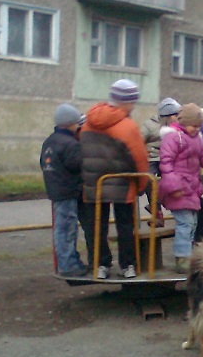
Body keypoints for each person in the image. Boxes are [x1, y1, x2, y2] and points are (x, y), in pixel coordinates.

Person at [79, 79, 149, 279]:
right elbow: (139, 159)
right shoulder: (128, 127)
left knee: (97, 227)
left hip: (93, 185)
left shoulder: (87, 123)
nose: (134, 106)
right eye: (133, 102)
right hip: (122, 184)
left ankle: (100, 265)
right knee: (125, 226)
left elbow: (81, 152)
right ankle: (128, 266)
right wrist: (141, 185)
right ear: (126, 102)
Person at [158, 103, 203, 274]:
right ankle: (182, 258)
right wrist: (173, 186)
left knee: (192, 223)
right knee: (185, 223)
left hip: (191, 189)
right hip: (178, 189)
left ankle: (187, 255)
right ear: (183, 122)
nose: (196, 129)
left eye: (199, 126)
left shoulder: (196, 139)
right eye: (193, 125)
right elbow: (166, 164)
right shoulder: (173, 138)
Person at [40, 103, 88, 277]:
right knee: (67, 229)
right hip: (68, 190)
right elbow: (76, 165)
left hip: (55, 190)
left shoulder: (49, 141)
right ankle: (69, 265)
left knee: (62, 228)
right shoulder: (70, 144)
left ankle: (70, 261)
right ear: (71, 123)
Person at [140, 97, 182, 226]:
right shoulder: (149, 125)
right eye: (176, 115)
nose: (178, 117)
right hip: (153, 157)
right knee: (149, 179)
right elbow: (139, 140)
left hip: (169, 158)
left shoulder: (178, 127)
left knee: (173, 181)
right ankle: (157, 211)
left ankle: (175, 209)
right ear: (167, 115)